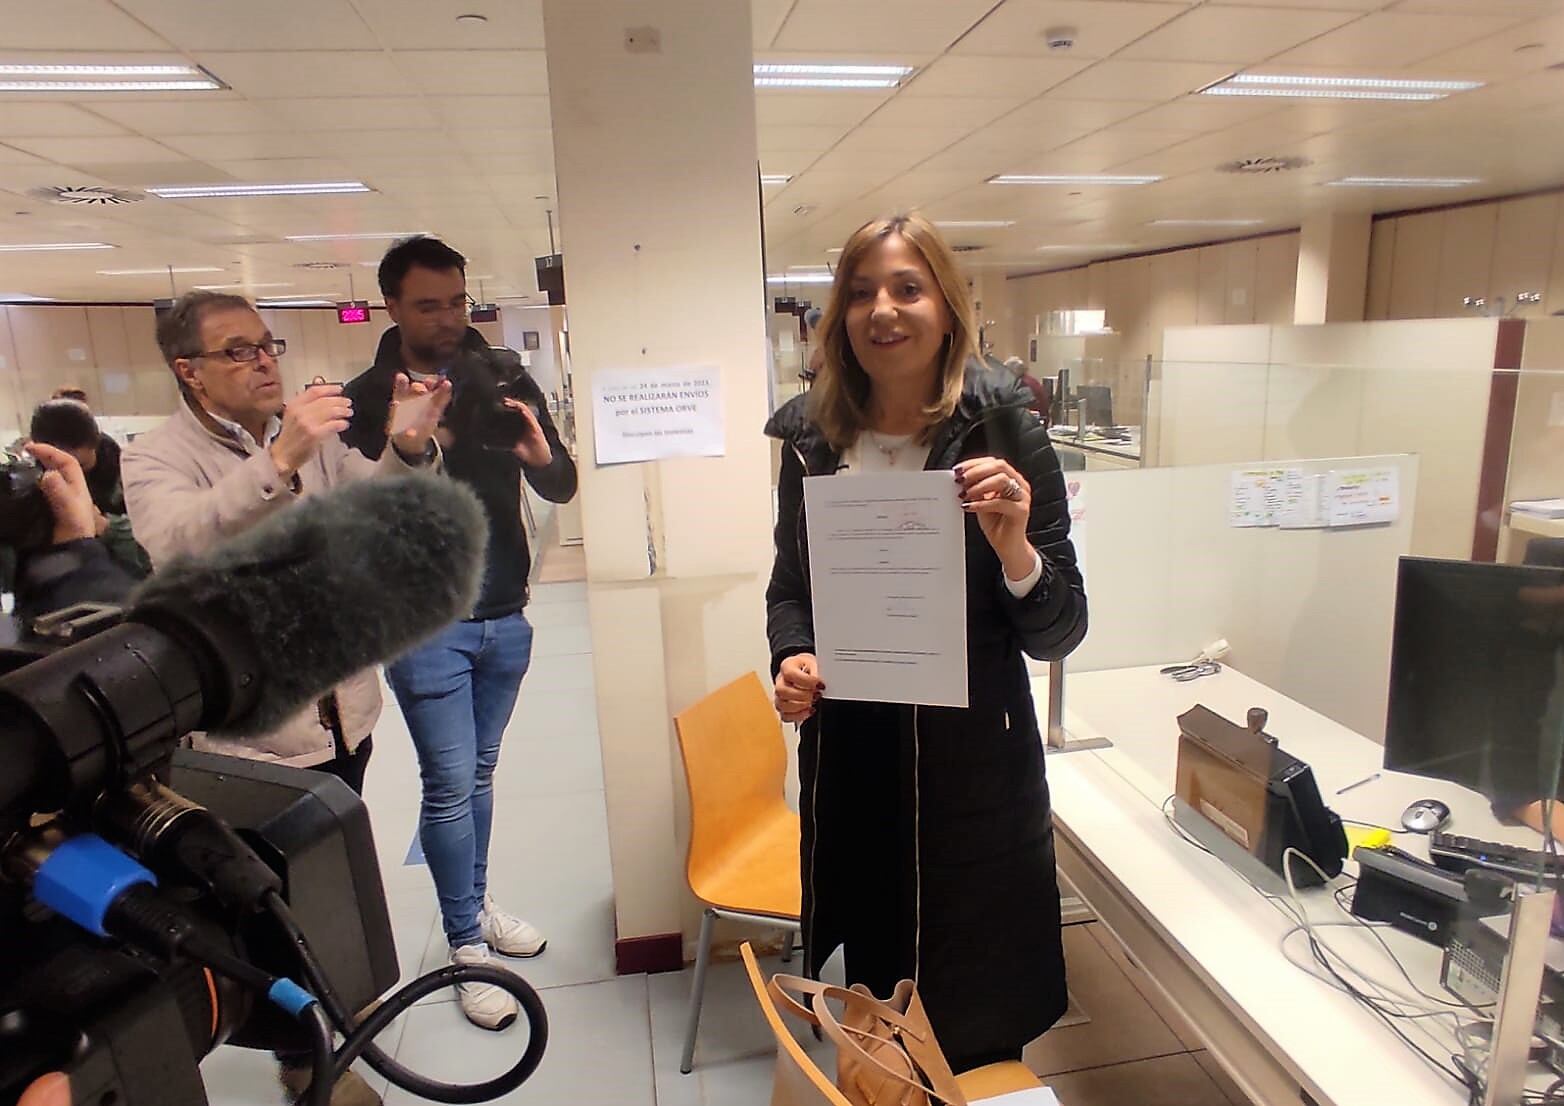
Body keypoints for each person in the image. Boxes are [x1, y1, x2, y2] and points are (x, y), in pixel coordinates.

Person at [764, 213, 1088, 1072]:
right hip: (858, 757)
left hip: (971, 762)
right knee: (877, 1005)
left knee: (973, 1004)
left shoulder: (1007, 434)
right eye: (862, 291)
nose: (884, 309)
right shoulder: (812, 444)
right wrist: (792, 659)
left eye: (908, 288)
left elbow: (1061, 629)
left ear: (947, 307)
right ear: (839, 317)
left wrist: (1016, 546)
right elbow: (790, 591)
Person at [122, 289, 448, 1106]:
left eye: (267, 345)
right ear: (188, 372)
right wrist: (278, 465)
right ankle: (305, 1065)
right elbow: (180, 545)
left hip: (343, 716)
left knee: (333, 878)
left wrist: (406, 448)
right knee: (269, 909)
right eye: (240, 350)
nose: (265, 361)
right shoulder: (155, 455)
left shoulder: (307, 439)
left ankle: (340, 1000)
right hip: (257, 747)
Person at [341, 236, 578, 1032]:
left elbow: (562, 480)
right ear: (392, 308)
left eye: (457, 301)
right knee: (448, 783)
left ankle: (472, 909)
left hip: (505, 613)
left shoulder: (502, 377)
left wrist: (543, 458)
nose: (447, 319)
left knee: (478, 775)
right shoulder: (364, 400)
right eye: (427, 305)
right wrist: (406, 441)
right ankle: (465, 944)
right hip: (427, 623)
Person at [28, 399, 151, 580]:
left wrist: (110, 528)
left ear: (95, 445)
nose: (71, 473)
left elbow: (154, 542)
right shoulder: (33, 485)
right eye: (58, 465)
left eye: (80, 466)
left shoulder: (129, 473)